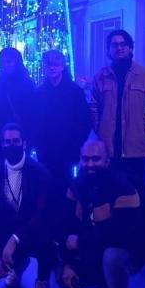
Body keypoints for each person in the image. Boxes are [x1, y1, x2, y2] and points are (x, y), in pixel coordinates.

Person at [59, 139, 145, 288]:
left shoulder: (123, 186)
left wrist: (80, 242)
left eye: (96, 159)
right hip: (94, 244)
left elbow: (121, 235)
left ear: (107, 161)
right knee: (58, 258)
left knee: (112, 258)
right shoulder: (76, 185)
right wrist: (67, 262)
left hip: (127, 248)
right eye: (85, 159)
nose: (89, 164)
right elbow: (66, 225)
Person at [0, 123, 55, 288]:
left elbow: (44, 215)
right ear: (2, 144)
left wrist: (16, 238)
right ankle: (18, 264)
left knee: (48, 239)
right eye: (7, 142)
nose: (11, 145)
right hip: (9, 234)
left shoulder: (40, 173)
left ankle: (42, 281)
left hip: (35, 232)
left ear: (24, 143)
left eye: (16, 141)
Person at [90, 30, 145, 182]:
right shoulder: (100, 76)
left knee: (135, 194)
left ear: (130, 48)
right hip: (107, 149)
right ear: (109, 49)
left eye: (123, 44)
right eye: (114, 45)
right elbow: (93, 106)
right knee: (109, 193)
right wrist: (99, 129)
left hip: (135, 149)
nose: (119, 48)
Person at [33, 50, 91, 217]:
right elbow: (34, 121)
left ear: (62, 66)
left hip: (67, 152)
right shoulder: (39, 93)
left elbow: (83, 122)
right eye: (49, 64)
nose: (52, 68)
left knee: (67, 190)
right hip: (45, 152)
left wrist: (75, 145)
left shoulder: (74, 92)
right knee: (47, 189)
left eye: (56, 64)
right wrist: (38, 144)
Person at [0, 47, 35, 177]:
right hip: (1, 137)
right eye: (3, 62)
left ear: (16, 62)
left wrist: (29, 138)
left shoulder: (27, 84)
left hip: (20, 137)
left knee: (20, 176)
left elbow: (32, 114)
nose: (6, 65)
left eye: (9, 62)